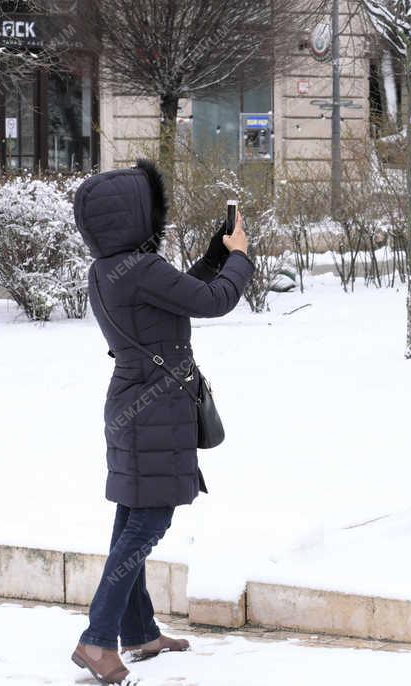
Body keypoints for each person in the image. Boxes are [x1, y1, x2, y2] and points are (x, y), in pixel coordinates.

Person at [69, 159, 253, 684]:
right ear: (135, 215)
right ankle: (96, 641)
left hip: (132, 403)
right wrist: (239, 259)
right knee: (147, 524)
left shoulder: (109, 268)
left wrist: (216, 254)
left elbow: (179, 295)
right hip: (155, 410)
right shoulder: (140, 269)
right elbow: (214, 300)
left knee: (131, 520)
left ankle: (141, 632)